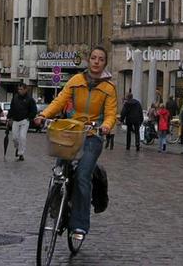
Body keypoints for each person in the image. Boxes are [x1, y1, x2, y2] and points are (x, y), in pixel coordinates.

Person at [33, 46, 117, 240]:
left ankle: (79, 224)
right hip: (71, 132)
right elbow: (60, 101)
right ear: (89, 60)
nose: (96, 61)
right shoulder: (75, 80)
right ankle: (57, 205)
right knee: (59, 172)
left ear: (105, 63)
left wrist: (106, 126)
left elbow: (111, 113)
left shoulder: (108, 88)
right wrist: (43, 115)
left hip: (92, 134)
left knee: (82, 176)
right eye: (93, 58)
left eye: (101, 59)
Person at [7, 83, 38, 161]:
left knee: (22, 137)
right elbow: (12, 108)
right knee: (14, 138)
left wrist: (29, 118)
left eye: (21, 89)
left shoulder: (30, 99)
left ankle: (21, 154)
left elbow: (34, 110)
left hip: (24, 120)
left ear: (25, 90)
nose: (19, 91)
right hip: (15, 120)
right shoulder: (15, 98)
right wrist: (9, 117)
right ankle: (17, 148)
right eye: (18, 89)